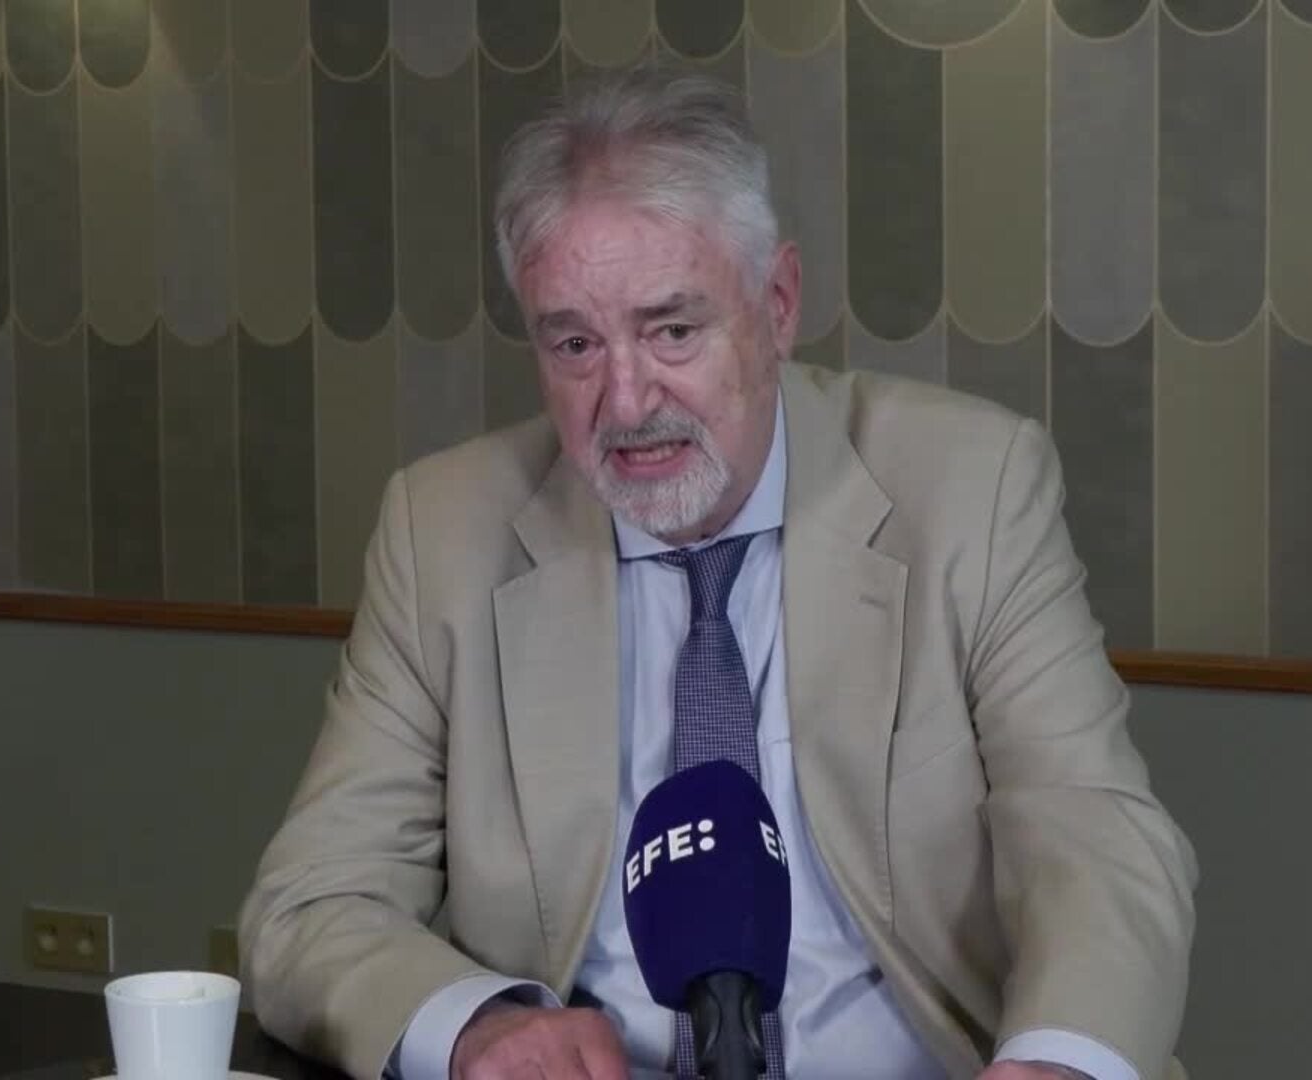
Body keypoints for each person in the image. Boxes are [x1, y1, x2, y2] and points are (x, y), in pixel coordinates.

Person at [240, 68, 1196, 1080]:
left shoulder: (969, 487)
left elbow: (1098, 837)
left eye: (672, 330)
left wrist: (1058, 1063)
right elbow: (312, 903)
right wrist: (477, 1027)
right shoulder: (443, 531)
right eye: (575, 344)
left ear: (777, 305)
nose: (625, 400)